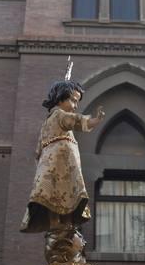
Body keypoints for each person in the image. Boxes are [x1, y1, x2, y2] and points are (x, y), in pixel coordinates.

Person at [20, 79, 104, 249]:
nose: (75, 105)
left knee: (63, 194)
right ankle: (57, 223)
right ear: (60, 98)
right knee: (55, 193)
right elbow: (75, 121)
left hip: (62, 166)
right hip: (56, 164)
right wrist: (94, 121)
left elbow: (38, 148)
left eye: (77, 102)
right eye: (72, 100)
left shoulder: (49, 121)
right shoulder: (59, 115)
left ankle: (65, 223)